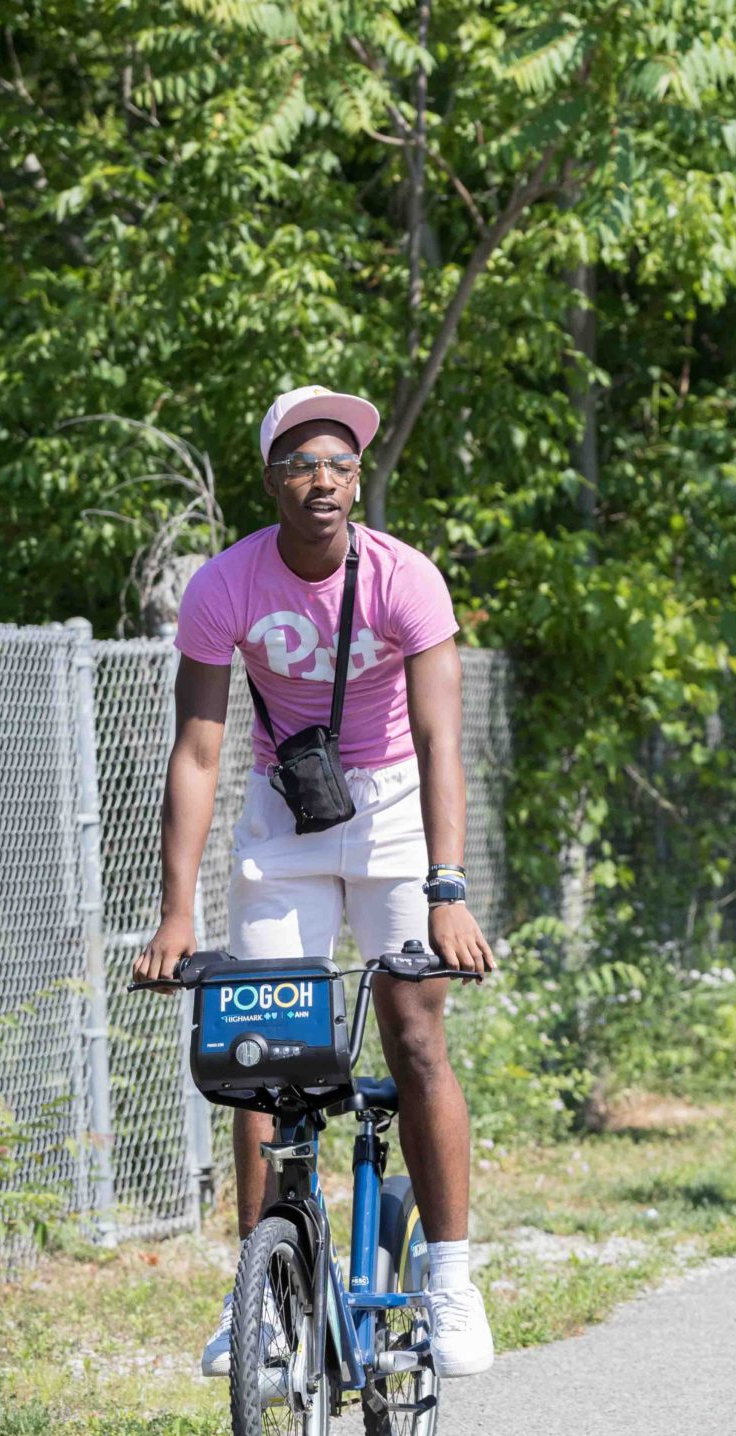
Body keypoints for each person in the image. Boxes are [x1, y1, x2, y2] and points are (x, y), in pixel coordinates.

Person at [132, 386, 498, 1379]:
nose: (326, 479)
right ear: (272, 483)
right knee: (259, 1045)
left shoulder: (404, 577)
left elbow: (437, 741)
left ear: (357, 482)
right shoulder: (225, 586)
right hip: (286, 813)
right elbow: (199, 753)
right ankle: (261, 1299)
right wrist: (176, 914)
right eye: (304, 464)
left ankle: (450, 1278)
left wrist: (448, 888)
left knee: (414, 1032)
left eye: (342, 464)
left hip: (391, 813)